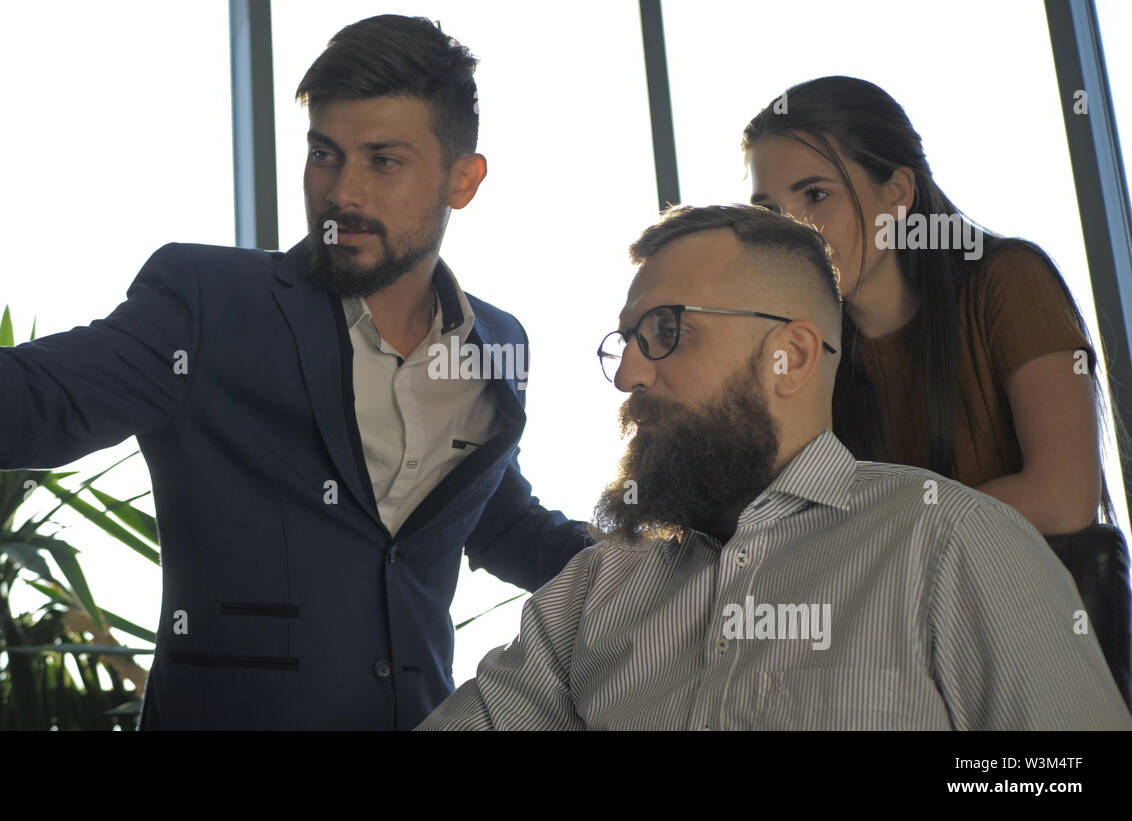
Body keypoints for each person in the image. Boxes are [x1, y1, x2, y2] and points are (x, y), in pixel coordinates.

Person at [0, 14, 590, 730]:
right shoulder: (208, 302)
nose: (342, 193)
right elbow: (48, 396)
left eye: (383, 160)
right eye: (324, 152)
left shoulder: (494, 343)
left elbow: (497, 519)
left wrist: (668, 561)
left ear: (463, 180)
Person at [416, 204, 1132, 730]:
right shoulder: (592, 593)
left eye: (666, 331)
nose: (629, 371)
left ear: (788, 356)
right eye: (626, 341)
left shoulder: (953, 544)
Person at [744, 76, 1106, 536]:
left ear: (897, 193)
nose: (793, 231)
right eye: (770, 213)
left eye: (816, 195)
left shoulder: (1007, 277)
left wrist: (876, 534)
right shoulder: (797, 351)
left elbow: (1065, 497)